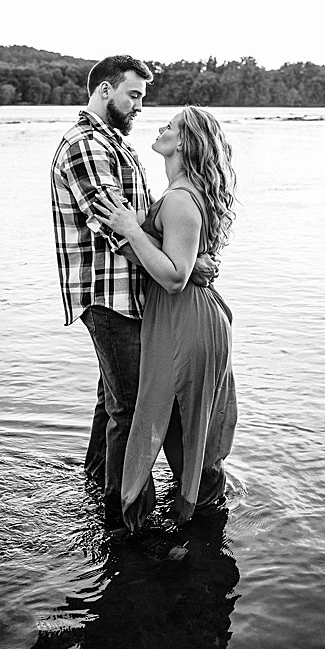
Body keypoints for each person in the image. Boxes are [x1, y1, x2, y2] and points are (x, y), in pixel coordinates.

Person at [49, 55, 216, 533]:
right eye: (134, 95)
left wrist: (183, 257)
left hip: (130, 295)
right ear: (105, 91)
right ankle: (126, 521)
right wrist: (187, 263)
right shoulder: (87, 147)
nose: (141, 106)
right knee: (131, 408)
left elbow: (137, 224)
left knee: (112, 401)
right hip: (110, 297)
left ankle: (96, 487)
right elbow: (117, 233)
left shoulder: (113, 146)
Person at [92, 106, 237, 531]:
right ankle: (198, 522)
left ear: (185, 142)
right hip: (186, 318)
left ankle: (166, 526)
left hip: (186, 320)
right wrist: (134, 227)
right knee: (178, 424)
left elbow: (174, 277)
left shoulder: (179, 200)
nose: (160, 127)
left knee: (176, 423)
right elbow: (175, 256)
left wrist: (132, 230)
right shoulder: (178, 195)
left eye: (171, 126)